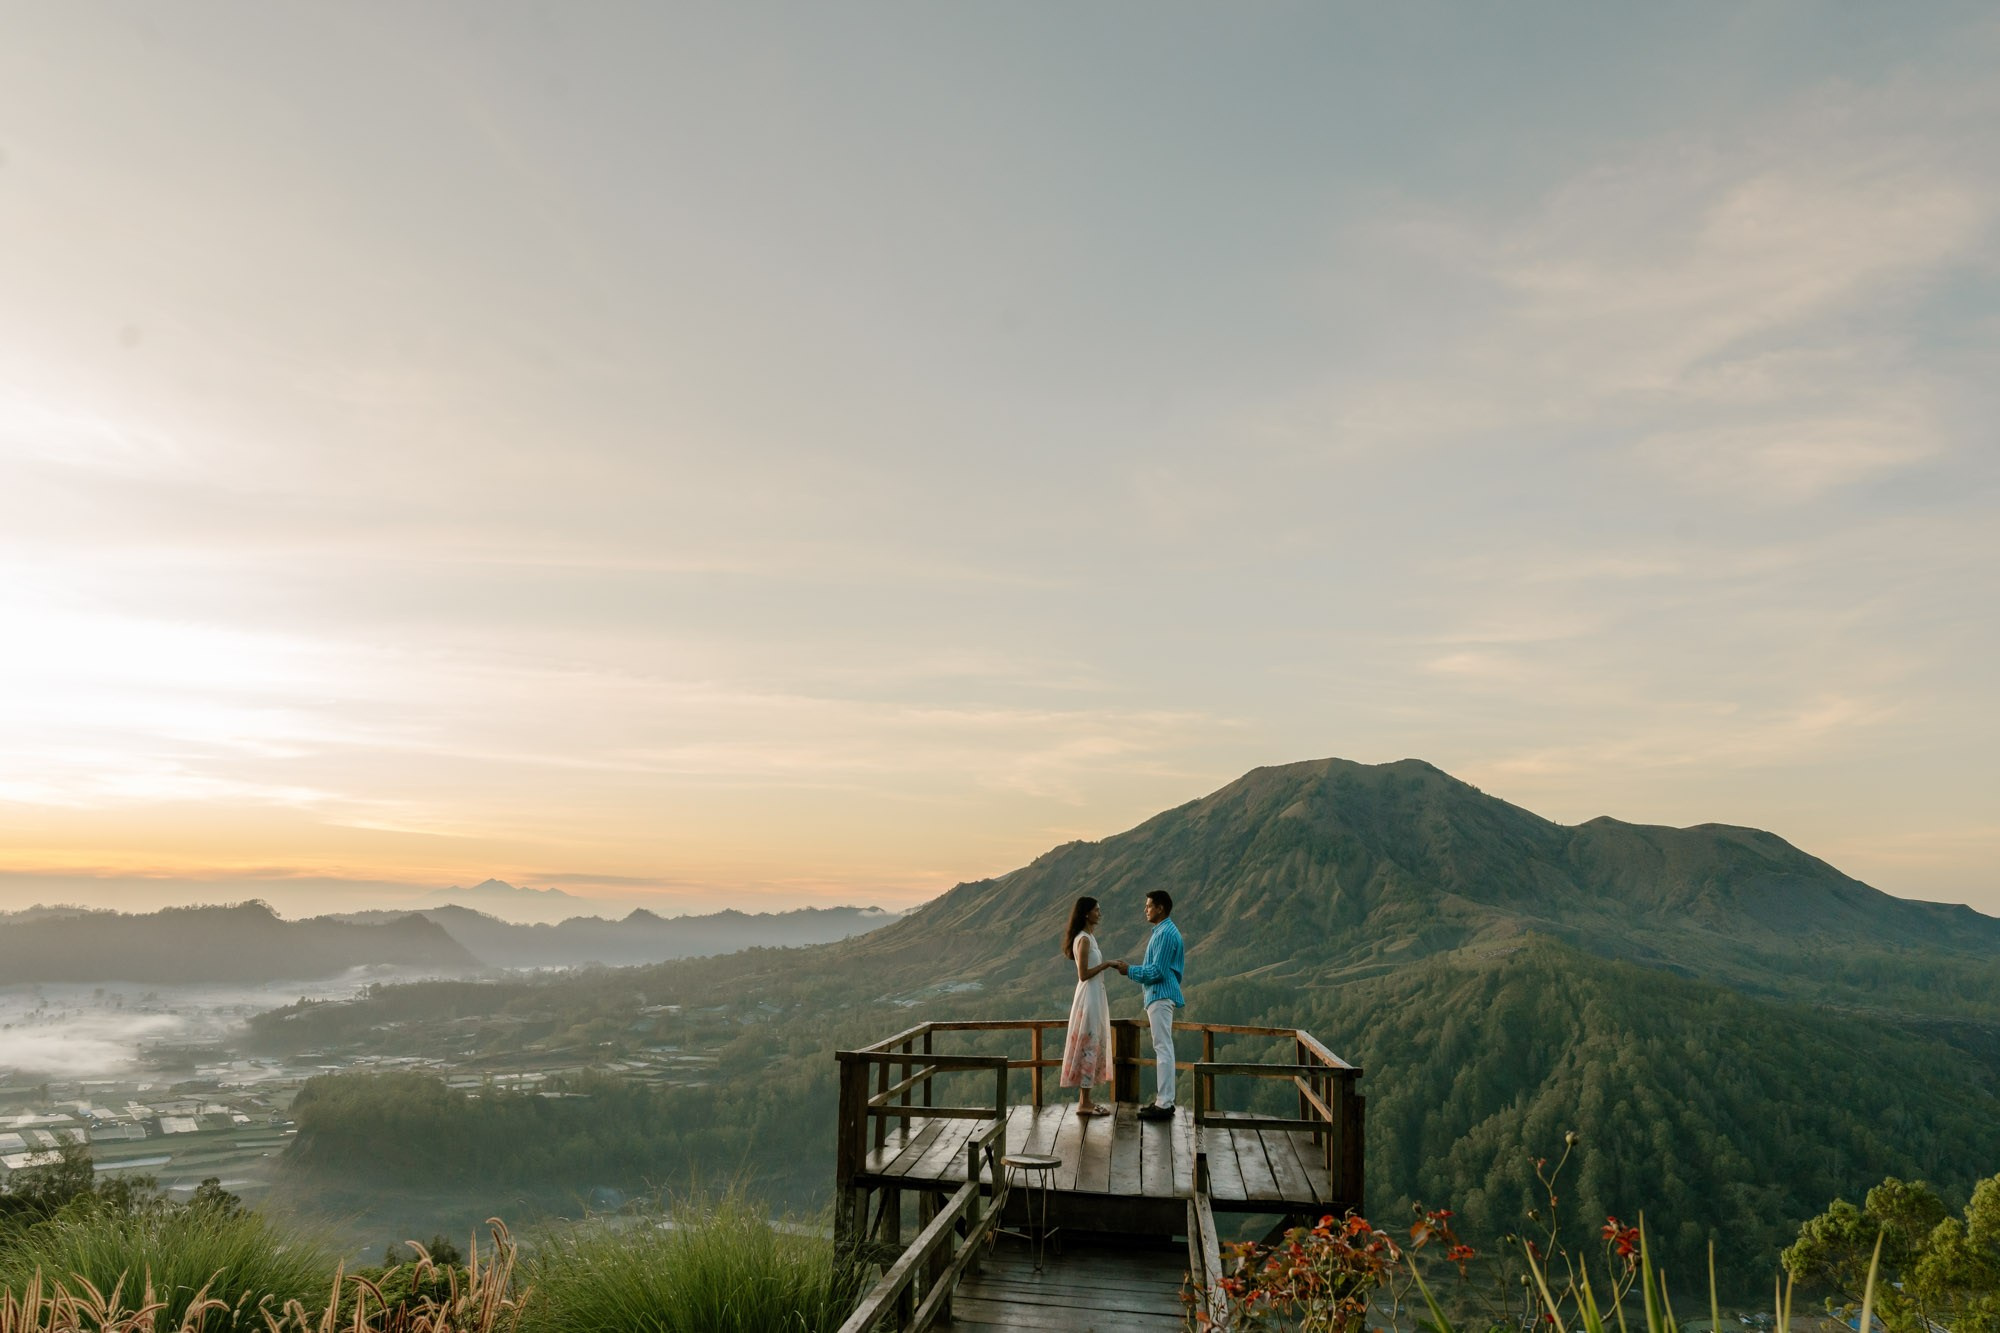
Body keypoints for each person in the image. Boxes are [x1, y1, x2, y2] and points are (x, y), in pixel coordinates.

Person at [1122, 890, 1184, 1121]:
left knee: (1163, 1048)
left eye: (1148, 906)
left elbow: (1157, 971)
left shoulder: (1165, 934)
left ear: (1160, 908)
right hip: (1159, 995)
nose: (1145, 910)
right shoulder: (1164, 931)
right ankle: (1163, 1100)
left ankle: (1165, 1103)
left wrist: (1129, 970)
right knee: (1163, 1047)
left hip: (1159, 995)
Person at [1057, 896, 1122, 1116]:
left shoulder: (1089, 938)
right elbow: (1083, 974)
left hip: (1095, 994)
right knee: (1088, 1040)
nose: (1099, 913)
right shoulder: (1083, 939)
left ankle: (1086, 1099)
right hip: (1089, 995)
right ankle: (1084, 1102)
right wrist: (1107, 964)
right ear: (1086, 913)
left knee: (1091, 1041)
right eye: (1096, 910)